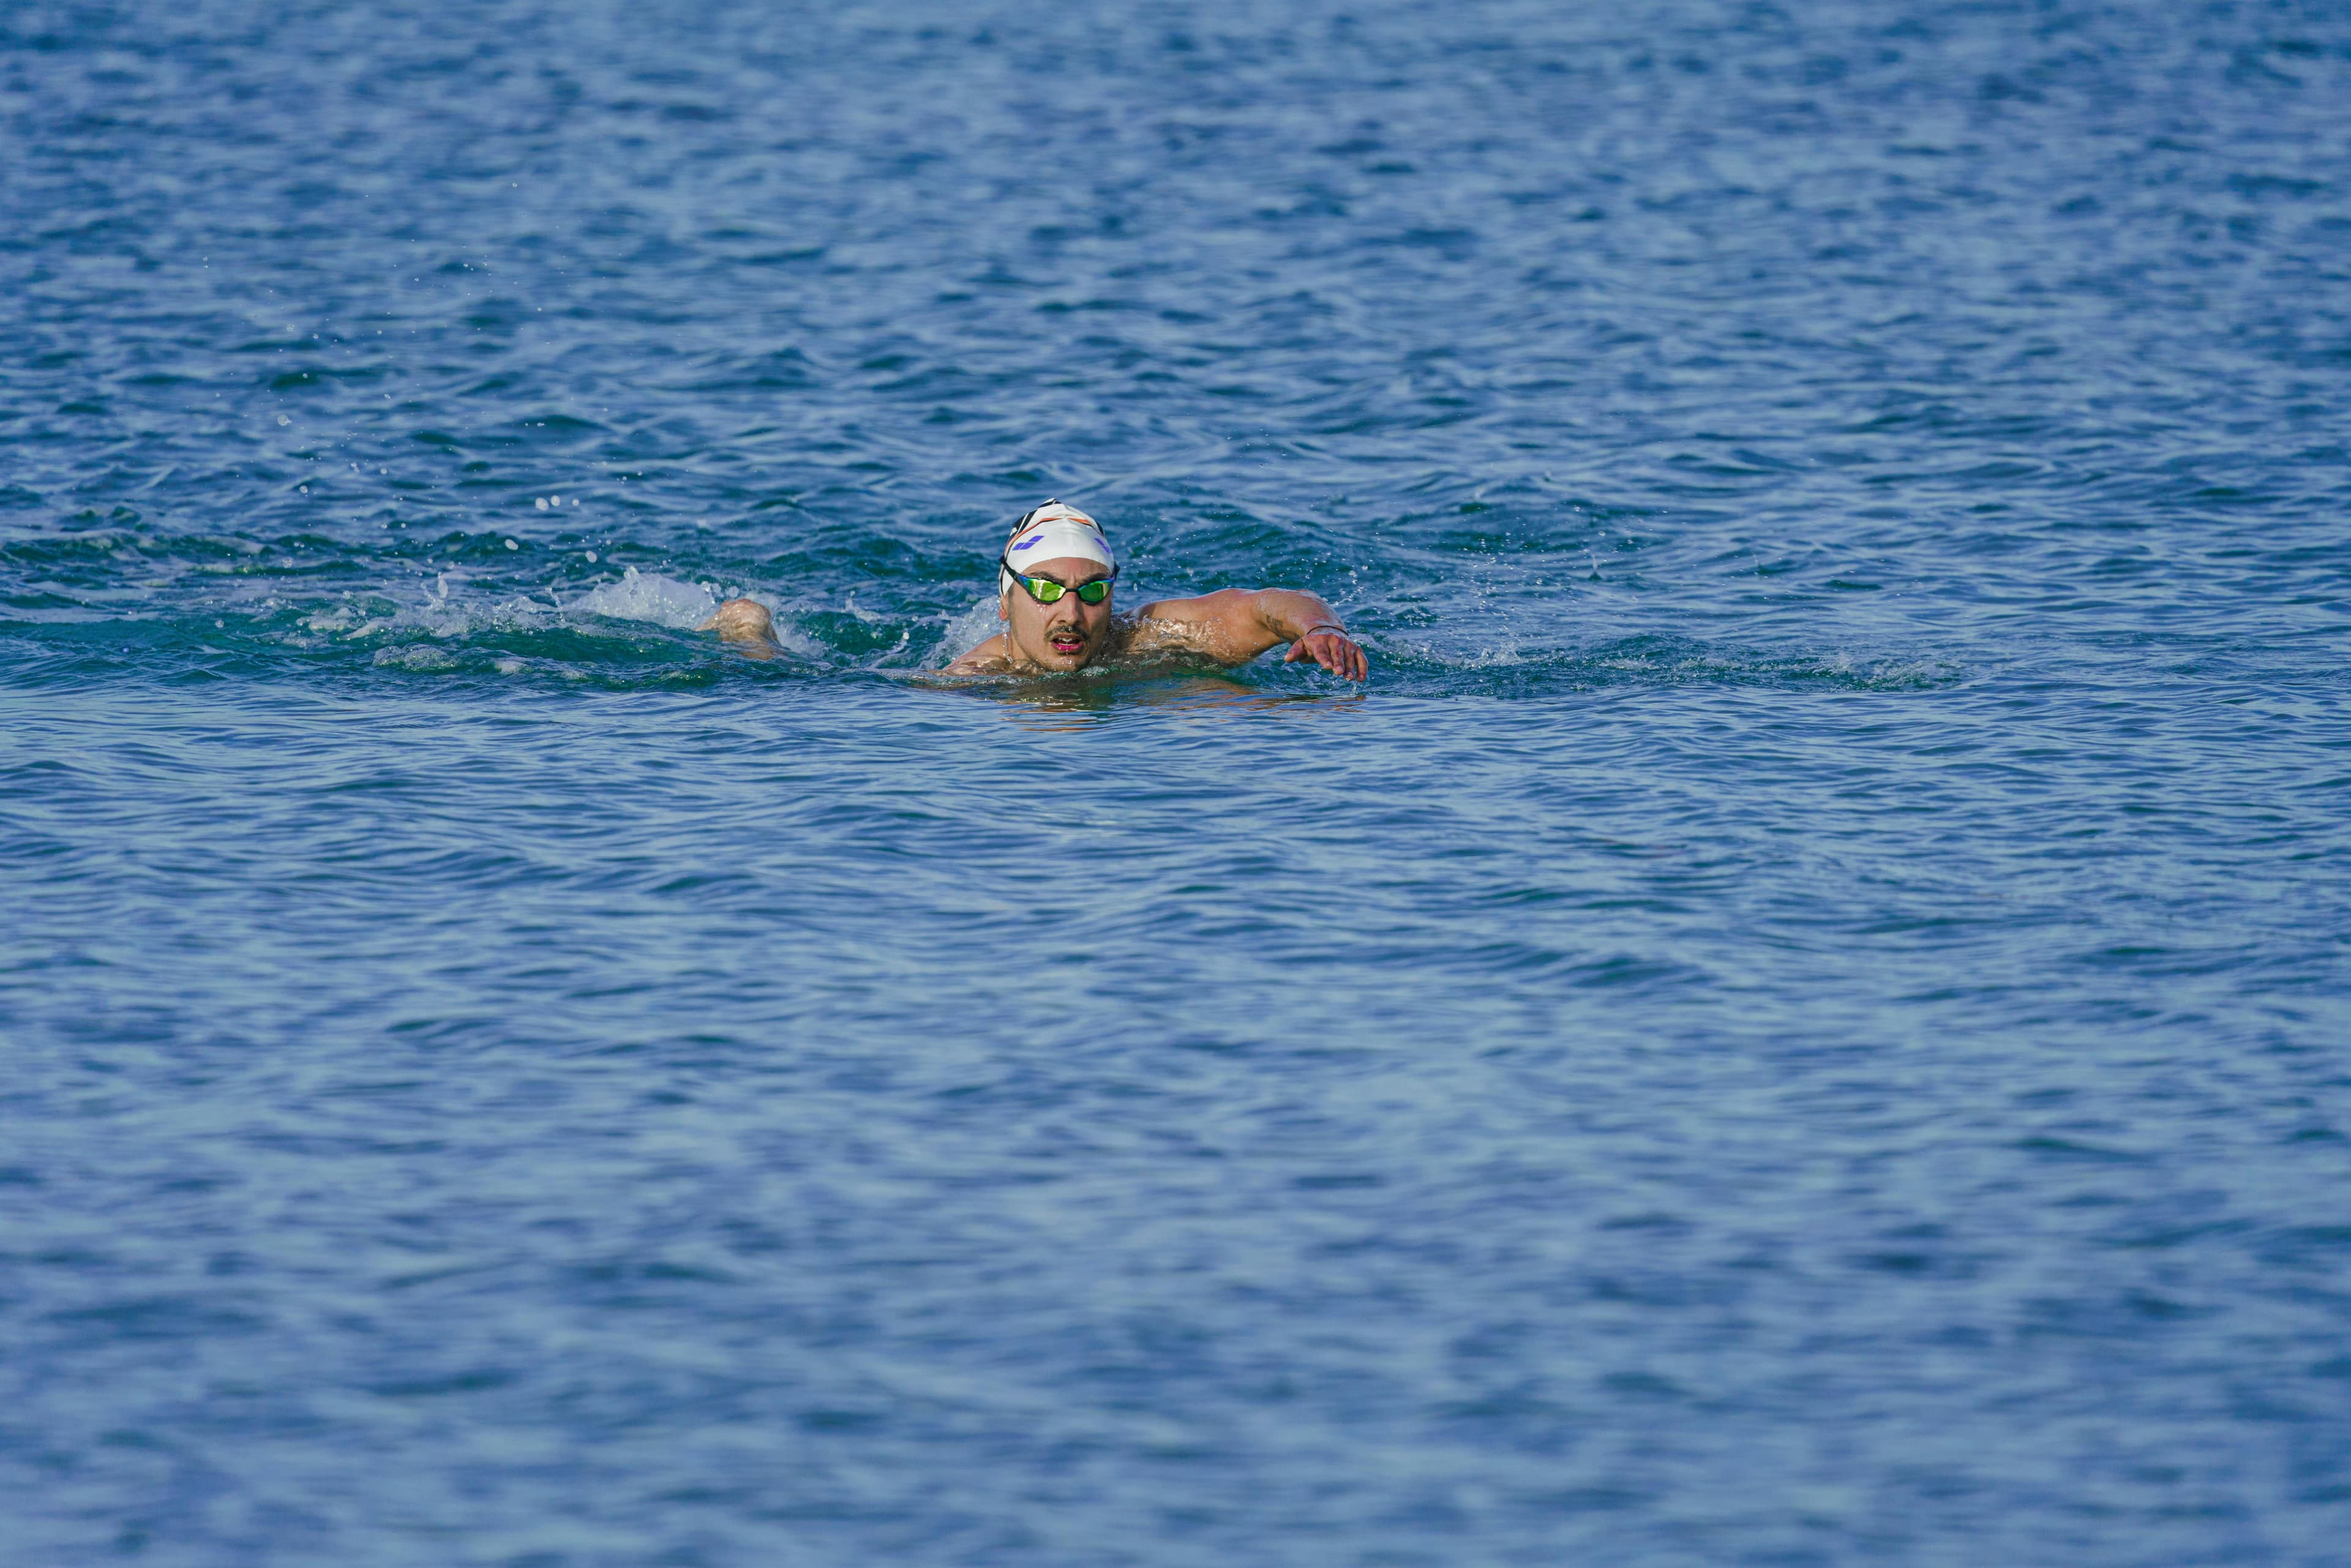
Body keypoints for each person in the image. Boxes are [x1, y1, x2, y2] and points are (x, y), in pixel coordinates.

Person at [702, 500, 1368, 681]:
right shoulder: (978, 676)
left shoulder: (1151, 635)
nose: (1072, 613)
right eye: (1046, 589)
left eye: (1092, 590)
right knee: (777, 665)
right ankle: (749, 625)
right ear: (1006, 603)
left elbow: (1266, 605)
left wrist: (1321, 629)